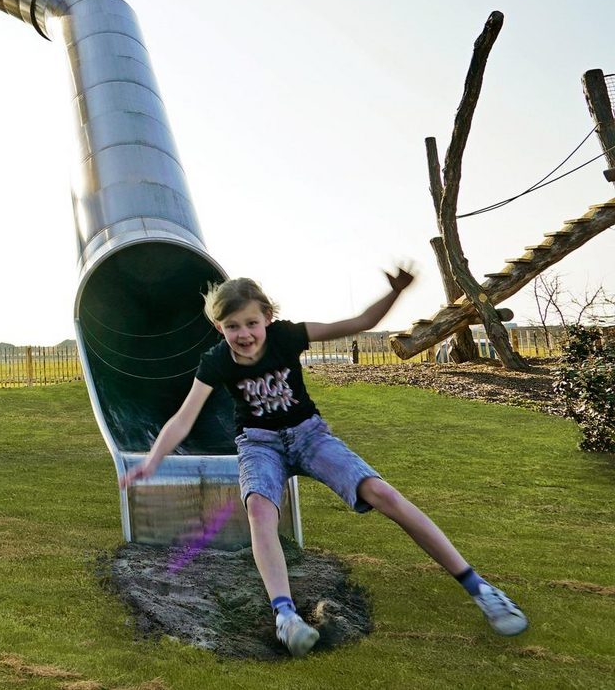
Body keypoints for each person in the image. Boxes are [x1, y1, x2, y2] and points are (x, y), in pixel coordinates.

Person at [119, 268, 528, 657]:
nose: (242, 335)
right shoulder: (217, 361)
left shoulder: (287, 336)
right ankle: (286, 616)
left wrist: (396, 291)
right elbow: (185, 416)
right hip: (260, 445)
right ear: (219, 328)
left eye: (250, 323)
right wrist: (153, 460)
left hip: (309, 435)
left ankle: (481, 589)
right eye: (231, 327)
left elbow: (359, 323)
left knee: (382, 493)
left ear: (267, 317)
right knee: (260, 511)